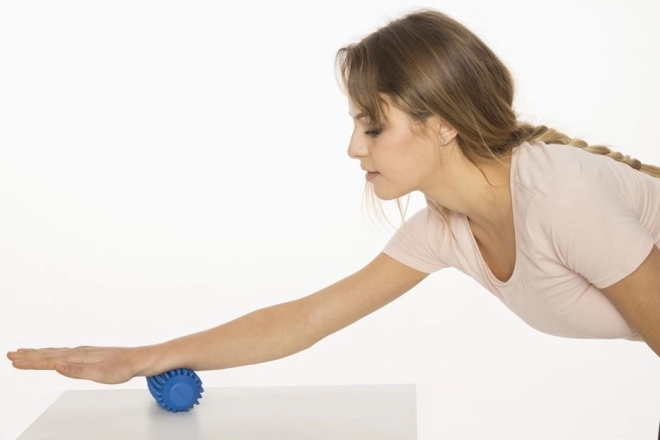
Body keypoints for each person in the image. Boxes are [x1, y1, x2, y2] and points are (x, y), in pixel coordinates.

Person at [6, 8, 659, 387]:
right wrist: (143, 358)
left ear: (441, 124)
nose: (353, 148)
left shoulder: (558, 194)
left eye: (372, 126)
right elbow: (305, 320)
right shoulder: (447, 228)